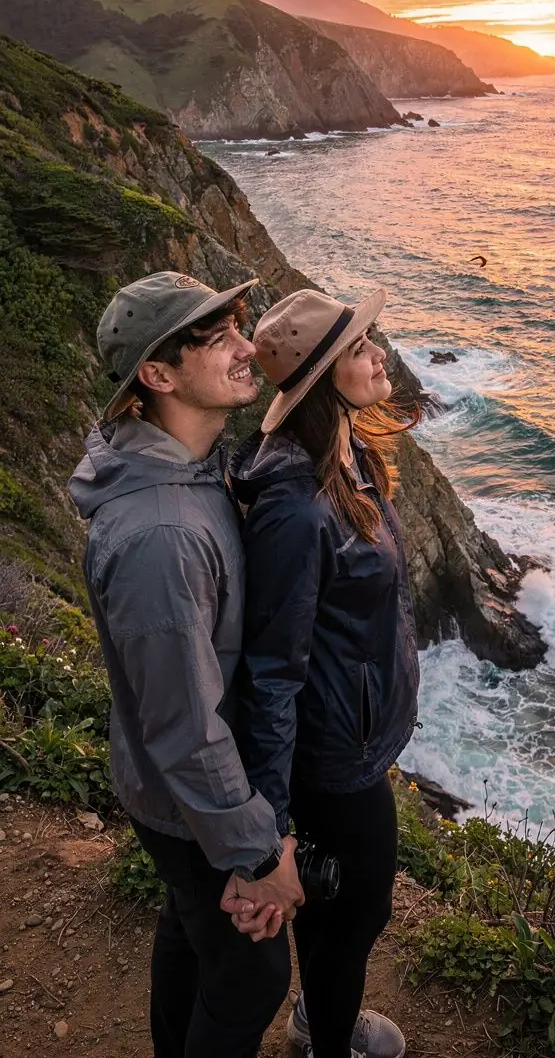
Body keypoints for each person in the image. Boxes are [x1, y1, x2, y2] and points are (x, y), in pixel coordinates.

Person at [68, 271, 304, 1058]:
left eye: (239, 327)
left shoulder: (188, 470)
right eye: (220, 340)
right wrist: (256, 854)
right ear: (158, 375)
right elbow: (185, 726)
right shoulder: (163, 535)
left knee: (193, 933)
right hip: (191, 803)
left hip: (172, 797)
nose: (249, 348)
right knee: (253, 976)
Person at [229, 287, 421, 1058]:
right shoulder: (298, 505)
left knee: (359, 905)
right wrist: (271, 829)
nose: (380, 357)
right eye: (361, 350)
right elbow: (272, 673)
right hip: (331, 754)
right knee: (358, 909)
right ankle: (326, 1038)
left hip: (359, 728)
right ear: (324, 379)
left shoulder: (351, 452)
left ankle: (321, 1013)